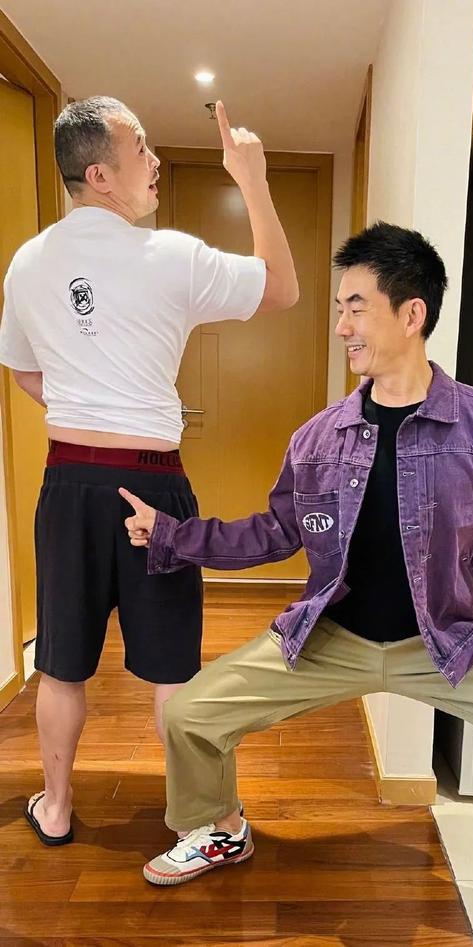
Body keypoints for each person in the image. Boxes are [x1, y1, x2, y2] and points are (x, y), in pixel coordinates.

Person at [121, 222, 473, 928]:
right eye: (340, 309)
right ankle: (223, 828)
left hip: (447, 642)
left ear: (412, 313)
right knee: (191, 715)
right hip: (329, 638)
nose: (342, 326)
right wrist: (173, 534)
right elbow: (274, 531)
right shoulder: (319, 437)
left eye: (356, 307)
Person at [0, 95, 298, 846]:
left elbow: (23, 370)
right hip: (152, 485)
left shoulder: (28, 262)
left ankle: (56, 807)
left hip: (69, 483)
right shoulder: (170, 255)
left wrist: (83, 401)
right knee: (173, 669)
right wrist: (251, 177)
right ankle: (202, 820)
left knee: (61, 664)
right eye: (141, 148)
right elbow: (282, 288)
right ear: (100, 174)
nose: (156, 160)